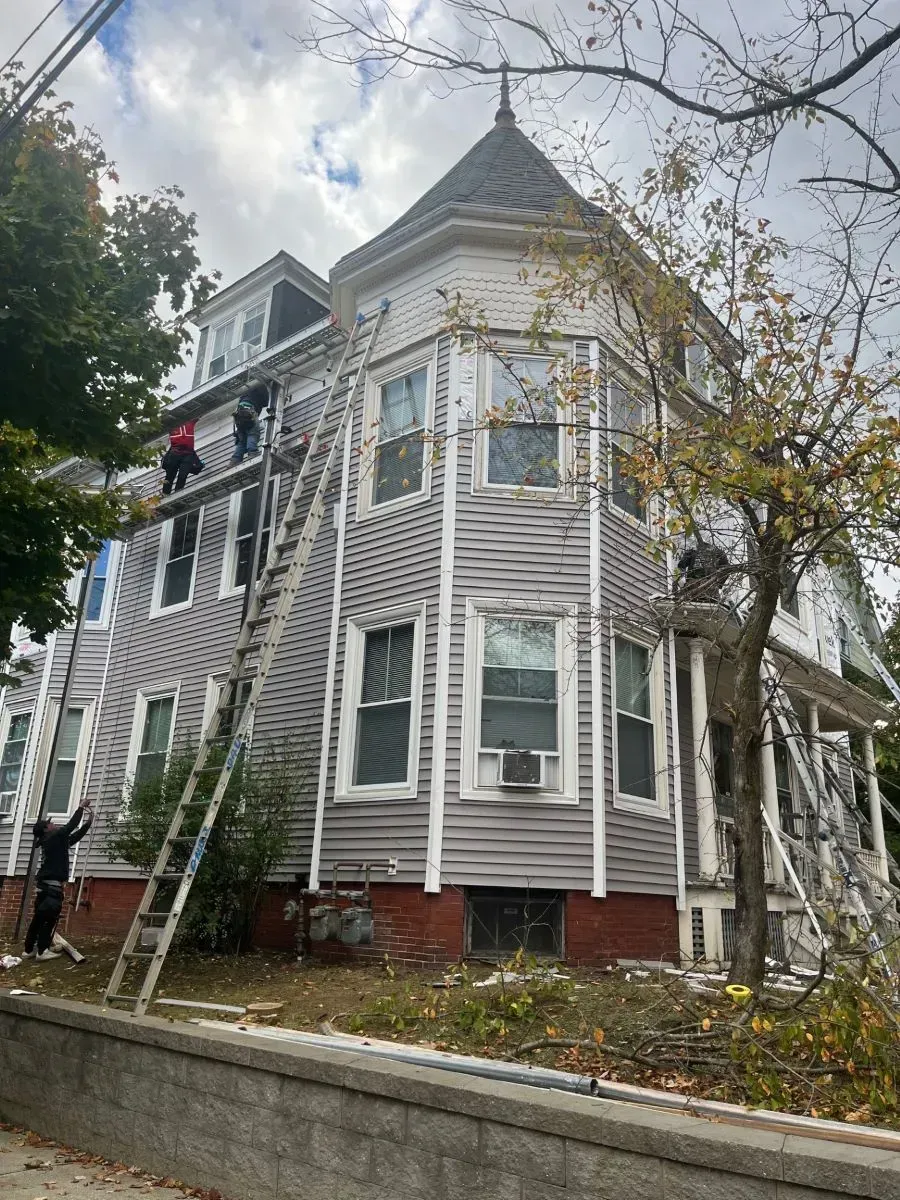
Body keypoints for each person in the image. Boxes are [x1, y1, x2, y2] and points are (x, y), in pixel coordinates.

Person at [23, 803, 93, 961]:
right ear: (46, 829)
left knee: (38, 919)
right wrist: (80, 808)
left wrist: (87, 825)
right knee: (49, 919)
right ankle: (42, 951)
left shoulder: (53, 841)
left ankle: (29, 950)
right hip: (51, 888)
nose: (53, 824)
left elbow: (73, 838)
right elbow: (70, 827)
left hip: (44, 887)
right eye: (50, 824)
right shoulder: (53, 837)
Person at [161, 421, 204, 495]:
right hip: (175, 453)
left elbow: (198, 415)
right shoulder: (171, 424)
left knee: (183, 475)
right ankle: (165, 494)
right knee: (170, 475)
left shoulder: (190, 421)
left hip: (188, 454)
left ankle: (178, 494)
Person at [230, 394, 263, 464]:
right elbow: (267, 400)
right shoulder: (260, 389)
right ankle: (253, 452)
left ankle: (235, 460)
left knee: (242, 441)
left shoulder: (245, 391)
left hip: (239, 414)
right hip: (249, 410)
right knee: (253, 434)